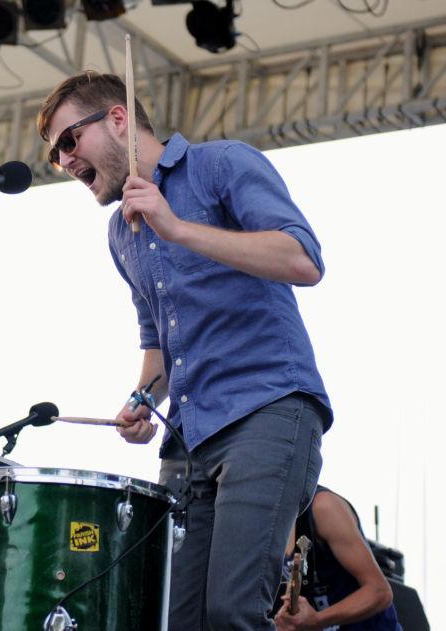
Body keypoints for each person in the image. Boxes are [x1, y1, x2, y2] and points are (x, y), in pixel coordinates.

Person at [37, 71, 332, 630]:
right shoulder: (120, 233)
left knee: (232, 611)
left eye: (69, 141)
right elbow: (158, 347)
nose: (65, 161)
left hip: (266, 408)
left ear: (118, 119)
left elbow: (303, 259)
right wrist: (142, 400)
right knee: (174, 619)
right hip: (190, 440)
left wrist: (176, 228)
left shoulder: (221, 164)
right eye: (55, 156)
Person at [274, 486, 400, 630]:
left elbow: (380, 592)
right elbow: (298, 575)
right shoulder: (275, 516)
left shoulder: (324, 506)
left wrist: (317, 619)